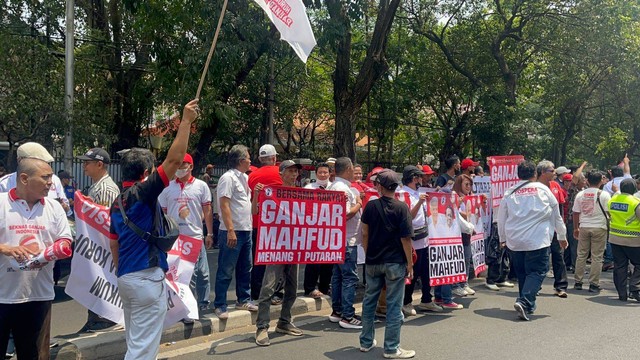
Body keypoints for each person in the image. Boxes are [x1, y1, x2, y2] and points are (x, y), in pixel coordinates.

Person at [109, 99, 199, 360]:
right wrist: (185, 122)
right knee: (142, 351)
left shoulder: (117, 202)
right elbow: (174, 160)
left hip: (126, 279)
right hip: (147, 278)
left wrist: (125, 273)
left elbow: (113, 244)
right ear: (147, 173)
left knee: (136, 342)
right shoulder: (143, 193)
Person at [0, 156, 73, 360]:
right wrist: (5, 248)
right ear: (24, 179)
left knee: (31, 354)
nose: (51, 182)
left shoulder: (54, 207)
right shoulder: (2, 203)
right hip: (3, 296)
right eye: (45, 177)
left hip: (37, 296)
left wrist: (51, 252)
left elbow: (65, 240)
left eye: (51, 177)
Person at [497, 160, 568, 321]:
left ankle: (528, 305)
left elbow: (501, 218)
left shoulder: (510, 192)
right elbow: (556, 216)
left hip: (515, 241)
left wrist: (502, 238)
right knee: (538, 271)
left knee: (523, 273)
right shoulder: (544, 190)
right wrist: (562, 236)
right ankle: (524, 300)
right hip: (537, 240)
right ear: (535, 174)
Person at [359, 169, 415, 359]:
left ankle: (365, 342)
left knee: (369, 301)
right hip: (395, 263)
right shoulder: (402, 208)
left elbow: (364, 234)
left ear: (379, 187)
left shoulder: (370, 206)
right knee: (393, 305)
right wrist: (410, 264)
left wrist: (368, 253)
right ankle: (391, 348)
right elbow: (406, 239)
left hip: (373, 261)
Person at [253, 160, 304, 346]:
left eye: (295, 172)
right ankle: (262, 327)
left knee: (292, 288)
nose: (293, 175)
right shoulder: (270, 192)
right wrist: (256, 195)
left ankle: (284, 321)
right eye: (290, 171)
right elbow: (255, 212)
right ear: (281, 173)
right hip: (275, 247)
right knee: (268, 288)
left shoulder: (302, 194)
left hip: (294, 247)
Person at [158, 153, 214, 318]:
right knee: (181, 273)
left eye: (183, 165)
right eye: (178, 165)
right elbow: (163, 213)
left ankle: (203, 303)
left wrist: (209, 233)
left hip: (195, 236)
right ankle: (184, 306)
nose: (179, 169)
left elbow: (207, 210)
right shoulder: (167, 187)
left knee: (202, 273)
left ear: (191, 166)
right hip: (175, 238)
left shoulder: (201, 186)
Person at [76, 147, 122, 332]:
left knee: (101, 280)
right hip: (98, 245)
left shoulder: (105, 189)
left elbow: (105, 223)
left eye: (87, 163)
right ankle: (96, 317)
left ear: (100, 164)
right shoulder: (97, 186)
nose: (84, 166)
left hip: (103, 246)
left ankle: (103, 319)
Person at [213, 145, 257, 319]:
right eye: (248, 157)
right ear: (241, 161)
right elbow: (224, 204)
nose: (250, 160)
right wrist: (230, 230)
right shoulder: (228, 178)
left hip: (246, 229)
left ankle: (243, 298)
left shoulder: (245, 178)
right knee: (226, 269)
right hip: (233, 231)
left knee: (245, 267)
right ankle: (220, 304)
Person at [400, 166, 443, 317]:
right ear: (413, 178)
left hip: (424, 237)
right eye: (418, 177)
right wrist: (419, 202)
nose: (421, 179)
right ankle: (406, 302)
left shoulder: (417, 193)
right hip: (412, 239)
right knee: (413, 271)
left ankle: (426, 299)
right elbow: (407, 218)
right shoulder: (403, 194)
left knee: (426, 272)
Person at [327, 157, 364, 329]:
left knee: (338, 276)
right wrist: (358, 204)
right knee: (349, 277)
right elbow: (346, 213)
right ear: (348, 169)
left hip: (338, 238)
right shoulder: (343, 189)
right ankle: (347, 316)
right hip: (347, 239)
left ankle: (338, 311)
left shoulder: (333, 186)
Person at [248, 144, 284, 302]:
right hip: (279, 223)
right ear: (274, 158)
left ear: (260, 159)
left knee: (258, 260)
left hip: (257, 222)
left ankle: (256, 292)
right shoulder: (281, 173)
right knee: (276, 260)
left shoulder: (252, 176)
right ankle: (274, 292)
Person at [0, 142, 72, 216]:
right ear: (20, 160)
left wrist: (63, 207)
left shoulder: (54, 180)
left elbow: (66, 208)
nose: (49, 182)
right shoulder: (4, 183)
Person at [572, 170, 610, 293]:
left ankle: (578, 281)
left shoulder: (580, 194)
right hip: (599, 227)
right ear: (601, 182)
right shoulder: (605, 195)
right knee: (597, 257)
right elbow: (609, 213)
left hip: (584, 226)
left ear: (587, 181)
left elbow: (576, 213)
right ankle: (594, 284)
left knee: (581, 254)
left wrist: (576, 228)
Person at [536, 160, 569, 298]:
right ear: (542, 172)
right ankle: (535, 285)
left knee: (558, 257)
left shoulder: (555, 186)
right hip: (538, 229)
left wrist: (561, 229)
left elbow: (560, 207)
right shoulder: (533, 187)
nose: (555, 173)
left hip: (554, 228)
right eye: (552, 170)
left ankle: (560, 286)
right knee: (538, 259)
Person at [303, 162, 333, 299]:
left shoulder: (335, 189)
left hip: (330, 229)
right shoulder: (309, 188)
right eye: (320, 172)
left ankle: (325, 287)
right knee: (313, 259)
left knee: (328, 260)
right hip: (313, 228)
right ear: (316, 174)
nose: (323, 174)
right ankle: (310, 287)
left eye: (325, 172)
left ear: (330, 173)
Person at [608, 178, 640, 302]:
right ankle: (634, 286)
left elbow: (610, 216)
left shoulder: (613, 200)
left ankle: (622, 294)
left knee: (620, 266)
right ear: (634, 188)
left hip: (615, 238)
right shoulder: (635, 202)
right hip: (633, 239)